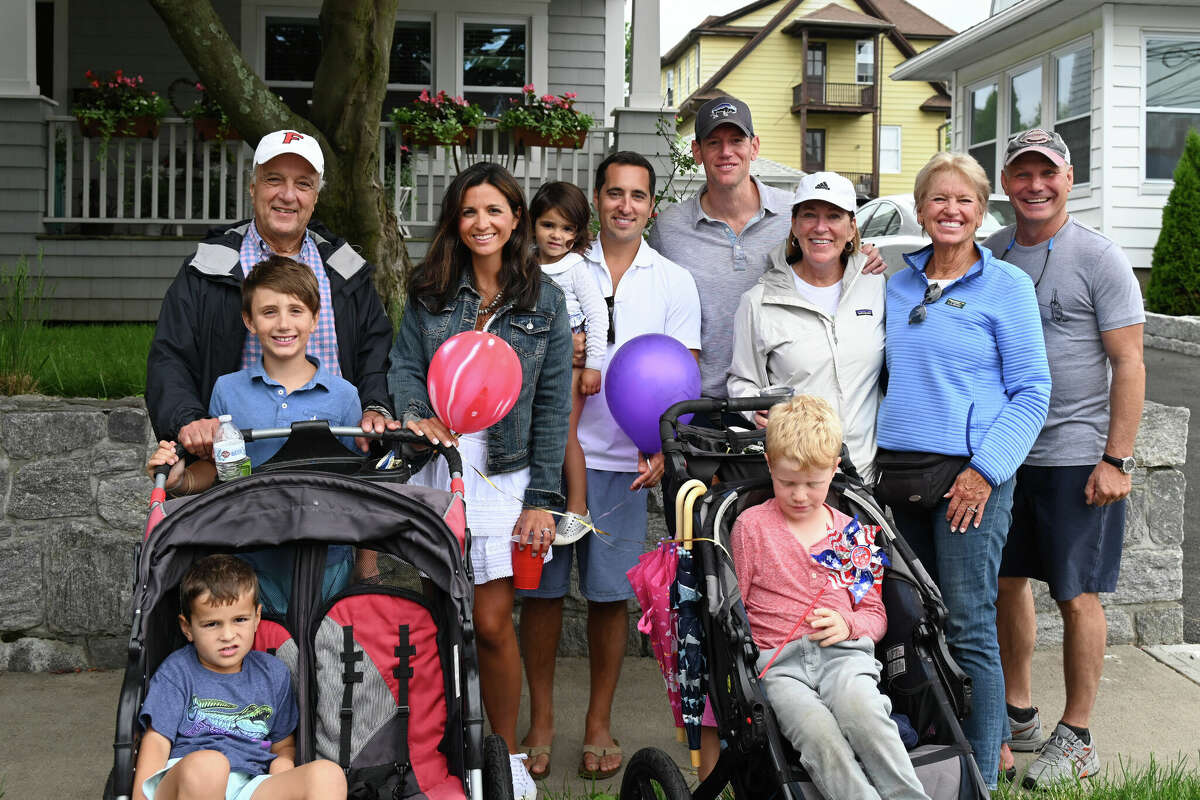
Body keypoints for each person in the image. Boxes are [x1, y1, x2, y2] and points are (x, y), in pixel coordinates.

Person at [387, 162, 572, 800]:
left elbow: (552, 407)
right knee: (441, 613)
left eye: (495, 210)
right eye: (469, 212)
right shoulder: (430, 289)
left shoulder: (545, 300)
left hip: (506, 478)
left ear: (517, 218)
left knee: (492, 620)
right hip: (439, 468)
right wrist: (416, 415)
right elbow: (405, 366)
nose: (482, 223)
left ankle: (504, 755)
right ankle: (444, 750)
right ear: (455, 221)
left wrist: (544, 501)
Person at [519, 152, 701, 782]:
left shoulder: (674, 280)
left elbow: (682, 376)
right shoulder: (554, 264)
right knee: (539, 596)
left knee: (607, 598)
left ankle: (598, 722)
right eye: (614, 193)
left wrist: (661, 447)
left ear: (653, 205)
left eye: (638, 195)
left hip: (627, 465)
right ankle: (540, 720)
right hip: (548, 455)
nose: (626, 205)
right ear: (597, 199)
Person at [874, 151, 1050, 790]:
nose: (951, 210)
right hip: (898, 474)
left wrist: (984, 472)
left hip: (969, 479)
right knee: (910, 620)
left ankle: (980, 779)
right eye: (938, 199)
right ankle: (936, 759)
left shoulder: (1008, 287)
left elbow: (1033, 390)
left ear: (982, 212)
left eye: (965, 201)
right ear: (920, 210)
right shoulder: (893, 283)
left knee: (970, 621)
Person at [987, 129, 1145, 789]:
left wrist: (1117, 458)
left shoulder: (1098, 258)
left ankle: (1077, 735)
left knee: (1076, 593)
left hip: (1077, 455)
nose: (1034, 186)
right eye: (1021, 174)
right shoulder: (990, 253)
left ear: (1068, 178)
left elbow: (1129, 361)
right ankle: (1018, 712)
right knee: (1006, 583)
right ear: (1005, 182)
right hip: (1005, 453)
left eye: (1045, 174)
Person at [146, 129, 394, 459]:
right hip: (233, 465)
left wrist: (376, 406)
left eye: (303, 184)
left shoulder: (344, 268)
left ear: (315, 196)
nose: (288, 195)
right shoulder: (208, 267)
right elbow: (170, 357)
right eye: (274, 179)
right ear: (253, 188)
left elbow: (376, 352)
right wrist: (189, 421)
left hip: (336, 465)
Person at [733, 394, 928, 800]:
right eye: (787, 482)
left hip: (842, 655)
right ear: (769, 465)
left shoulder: (849, 534)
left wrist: (849, 624)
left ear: (834, 470)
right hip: (780, 666)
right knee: (819, 736)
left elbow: (875, 613)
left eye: (813, 483)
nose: (800, 495)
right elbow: (737, 609)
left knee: (865, 715)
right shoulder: (751, 528)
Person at [147, 256, 362, 609]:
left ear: (314, 318)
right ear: (249, 321)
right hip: (247, 558)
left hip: (328, 560)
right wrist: (179, 482)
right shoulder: (227, 391)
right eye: (268, 312)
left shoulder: (343, 396)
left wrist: (366, 568)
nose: (283, 323)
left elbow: (361, 487)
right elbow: (219, 468)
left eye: (295, 310)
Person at [648, 95, 883, 405]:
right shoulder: (669, 228)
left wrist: (860, 260)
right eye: (714, 142)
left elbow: (834, 253)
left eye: (736, 140)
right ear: (697, 151)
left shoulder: (796, 215)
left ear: (754, 147)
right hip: (695, 400)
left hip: (772, 402)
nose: (726, 152)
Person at [131, 554, 346, 800]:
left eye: (240, 620)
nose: (228, 635)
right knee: (211, 766)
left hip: (249, 783)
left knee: (328, 775)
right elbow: (156, 740)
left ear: (257, 618)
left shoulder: (273, 673)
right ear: (187, 628)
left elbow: (282, 744)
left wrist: (284, 761)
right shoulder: (177, 672)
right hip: (188, 781)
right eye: (212, 624)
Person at [728, 170, 885, 484]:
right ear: (795, 225)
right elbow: (741, 381)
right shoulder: (759, 301)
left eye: (834, 216)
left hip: (864, 479)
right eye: (809, 215)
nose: (821, 227)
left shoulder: (875, 285)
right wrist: (756, 412)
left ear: (852, 226)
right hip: (797, 480)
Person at [529, 181, 609, 544]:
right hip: (536, 363)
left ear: (577, 233)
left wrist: (593, 364)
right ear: (533, 224)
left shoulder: (576, 268)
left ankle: (578, 509)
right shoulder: (527, 265)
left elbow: (597, 317)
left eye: (566, 228)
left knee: (563, 434)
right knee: (540, 433)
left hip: (572, 367)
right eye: (548, 225)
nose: (556, 235)